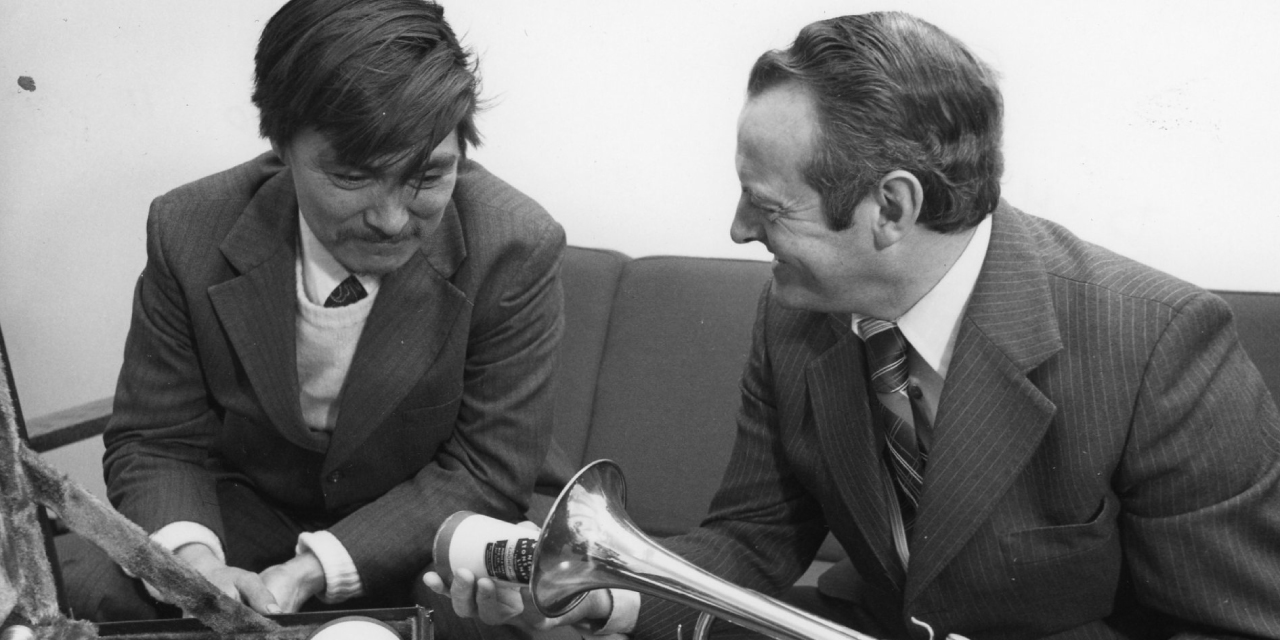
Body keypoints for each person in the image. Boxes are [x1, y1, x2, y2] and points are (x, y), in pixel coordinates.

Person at [428, 11, 1280, 639]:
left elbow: (1229, 626)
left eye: (766, 206)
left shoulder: (1161, 343)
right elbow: (754, 540)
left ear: (892, 207)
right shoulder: (796, 317)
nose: (735, 232)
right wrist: (597, 600)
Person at [61, 0, 566, 634]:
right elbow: (157, 440)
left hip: (420, 540)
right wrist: (197, 568)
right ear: (281, 146)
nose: (390, 219)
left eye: (427, 176)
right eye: (353, 176)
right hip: (241, 528)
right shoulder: (188, 228)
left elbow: (487, 469)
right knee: (72, 579)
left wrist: (314, 568)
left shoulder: (514, 244)